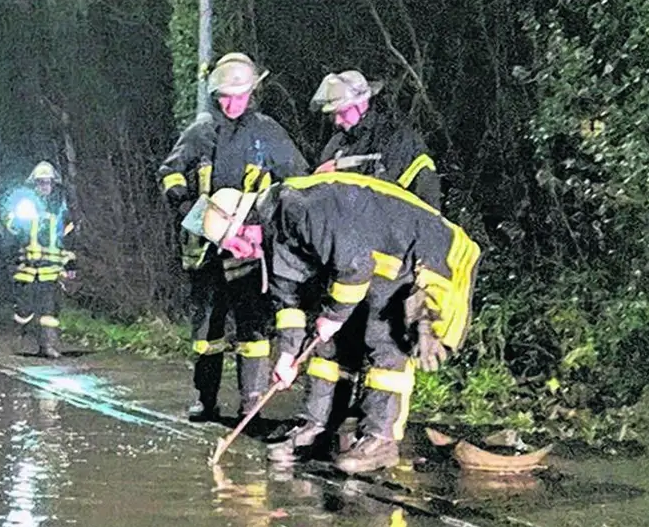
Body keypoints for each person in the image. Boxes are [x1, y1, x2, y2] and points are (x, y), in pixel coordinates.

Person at [197, 171, 481, 474]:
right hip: (381, 262)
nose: (237, 253)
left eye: (234, 244)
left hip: (423, 255)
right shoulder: (276, 234)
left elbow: (355, 265)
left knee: (383, 341)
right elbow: (288, 302)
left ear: (246, 224)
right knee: (329, 344)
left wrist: (333, 316)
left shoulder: (301, 207)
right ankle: (319, 429)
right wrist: (287, 357)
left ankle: (381, 441)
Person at [157, 52, 311, 422]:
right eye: (225, 96)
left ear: (252, 93)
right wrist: (187, 212)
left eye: (239, 95)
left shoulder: (269, 133)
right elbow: (169, 173)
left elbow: (298, 182)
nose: (232, 103)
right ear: (215, 95)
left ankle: (251, 404)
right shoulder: (200, 132)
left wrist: (267, 225)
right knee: (207, 332)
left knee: (253, 331)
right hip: (206, 252)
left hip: (250, 251)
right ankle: (205, 400)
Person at [309, 70, 441, 209]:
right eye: (334, 114)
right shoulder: (336, 144)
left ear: (361, 104)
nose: (337, 121)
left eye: (343, 112)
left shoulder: (398, 139)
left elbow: (422, 201)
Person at [2, 161, 76, 358]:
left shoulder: (60, 208)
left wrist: (70, 262)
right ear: (34, 184)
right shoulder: (26, 205)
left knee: (49, 311)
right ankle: (19, 337)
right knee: (24, 310)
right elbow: (10, 227)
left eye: (47, 182)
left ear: (53, 184)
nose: (44, 186)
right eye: (40, 182)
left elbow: (68, 236)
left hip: (50, 269)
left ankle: (49, 345)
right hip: (27, 268)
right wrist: (18, 221)